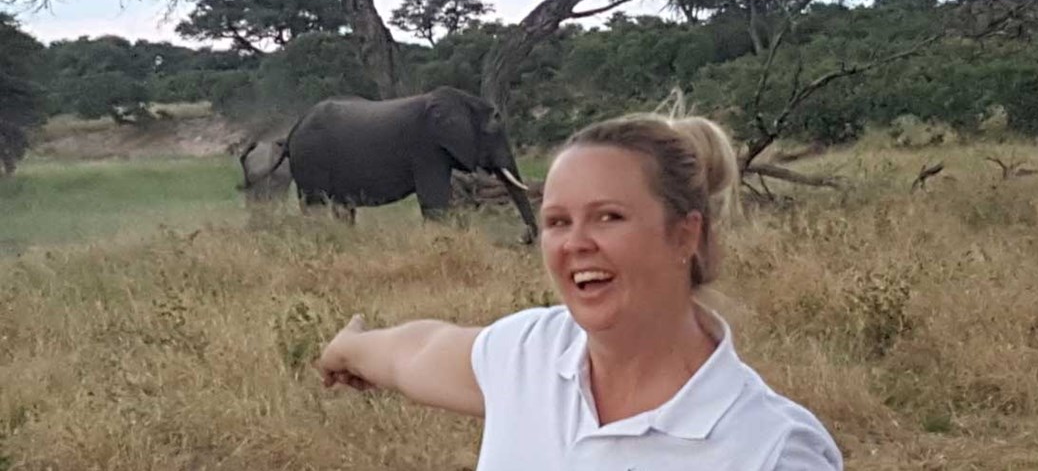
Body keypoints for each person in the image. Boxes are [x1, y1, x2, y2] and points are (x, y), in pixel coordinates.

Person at [314, 113, 843, 470]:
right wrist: (351, 348)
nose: (576, 244)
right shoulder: (532, 353)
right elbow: (417, 351)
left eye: (608, 217)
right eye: (557, 222)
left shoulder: (771, 449)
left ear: (686, 233)